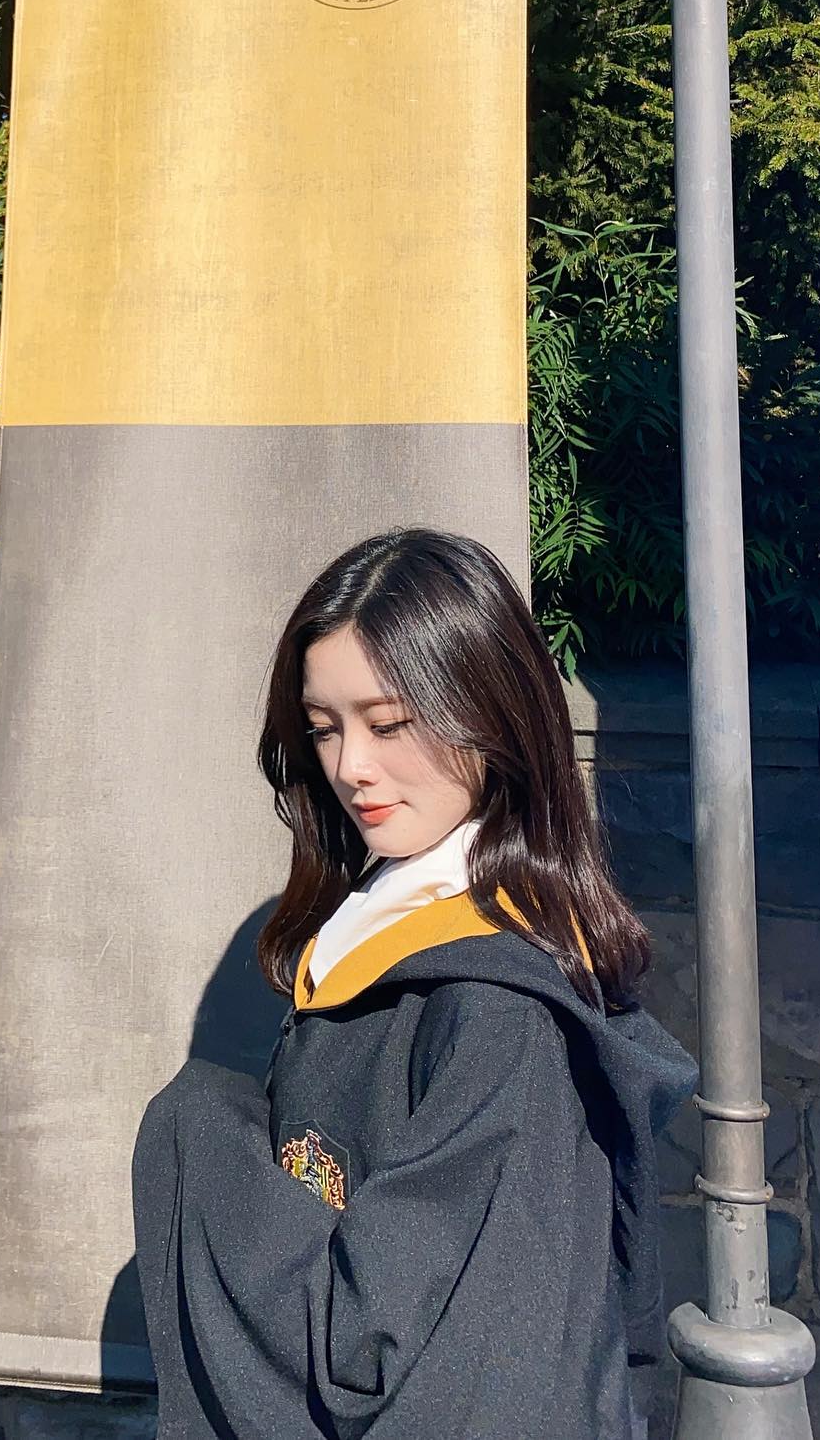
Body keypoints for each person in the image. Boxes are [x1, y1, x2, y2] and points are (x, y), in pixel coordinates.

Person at [132, 527, 699, 1439]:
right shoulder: (384, 926)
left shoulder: (502, 1014)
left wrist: (194, 1136)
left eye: (389, 723)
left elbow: (418, 1366)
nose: (351, 766)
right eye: (325, 728)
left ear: (492, 712)